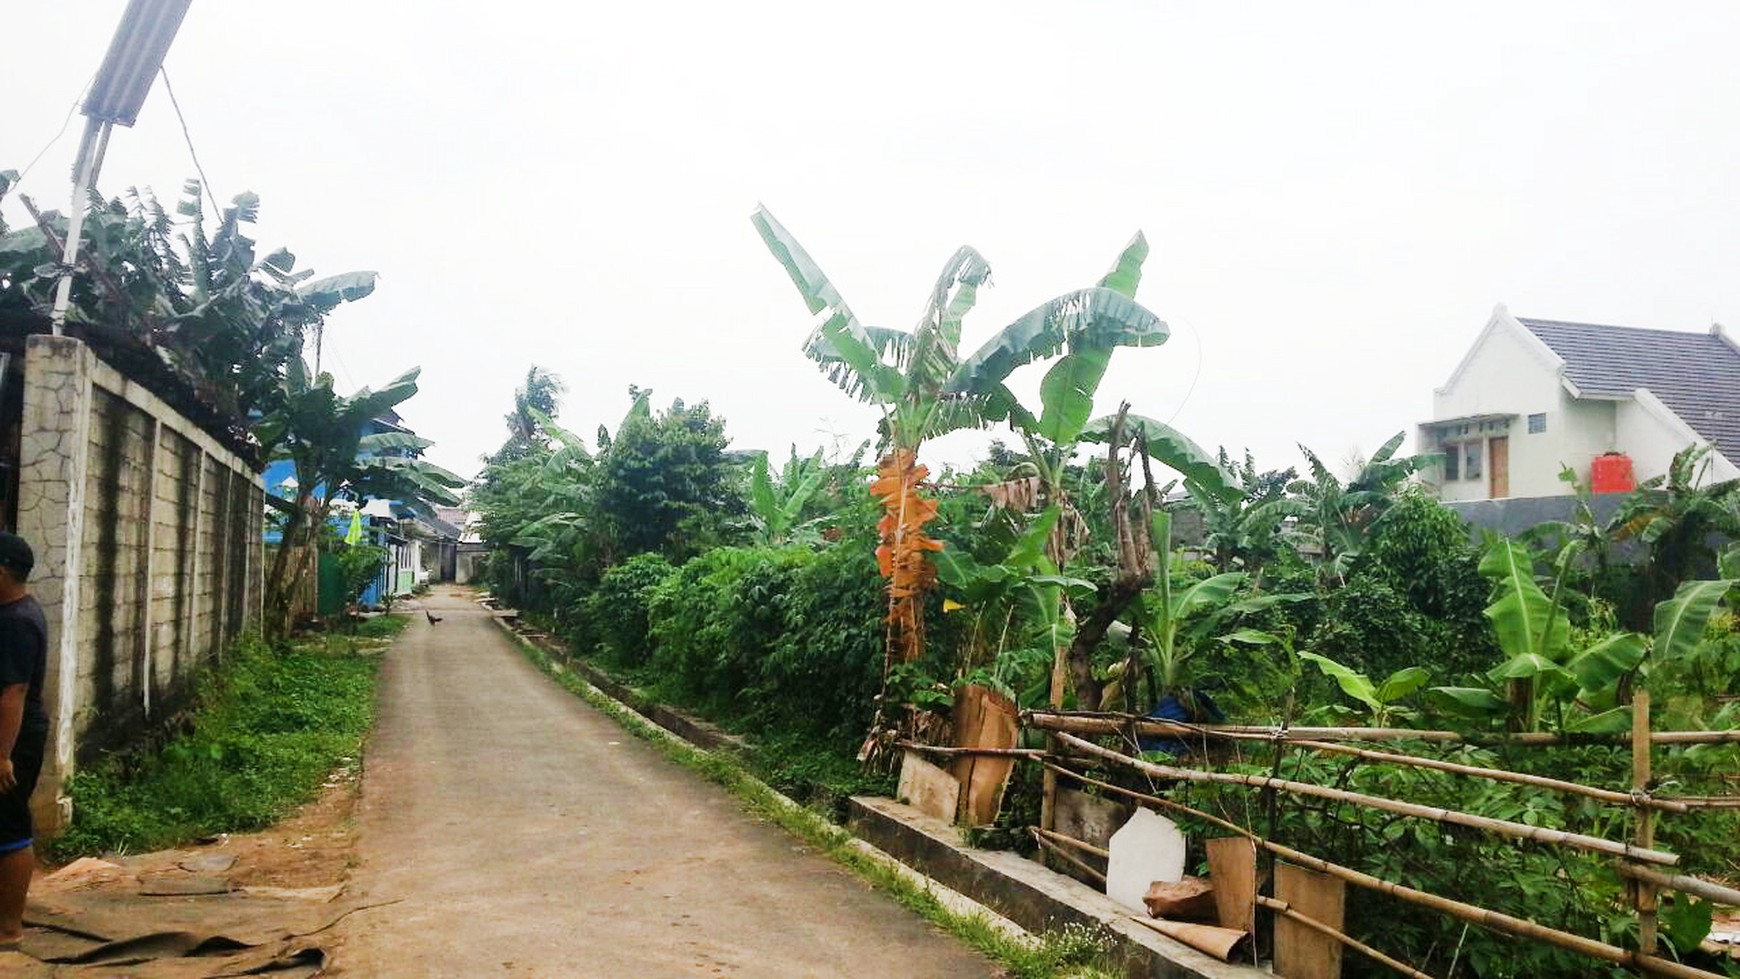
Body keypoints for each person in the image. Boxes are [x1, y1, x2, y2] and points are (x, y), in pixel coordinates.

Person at [0, 532, 46, 949]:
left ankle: (9, 930)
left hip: (14, 738)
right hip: (13, 734)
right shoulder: (14, 612)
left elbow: (12, 692)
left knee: (9, 825)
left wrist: (3, 756)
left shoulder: (17, 623)